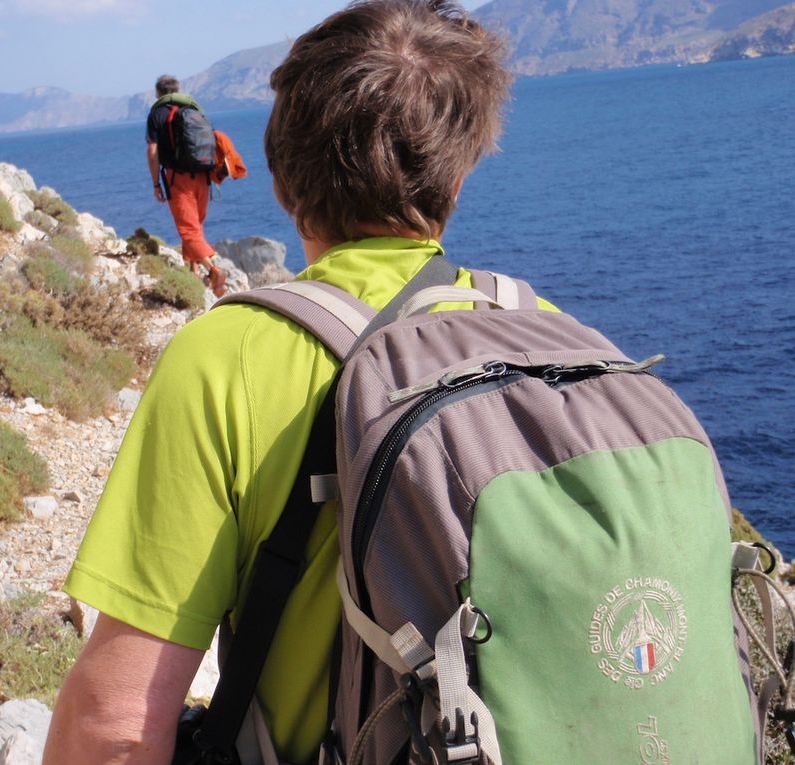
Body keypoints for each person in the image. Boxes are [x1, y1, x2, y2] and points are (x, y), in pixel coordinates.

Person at [44, 2, 519, 762]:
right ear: (457, 176)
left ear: (283, 177)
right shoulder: (547, 334)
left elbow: (114, 724)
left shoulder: (227, 356)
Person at [146, 74, 227, 298]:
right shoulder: (194, 108)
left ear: (158, 93)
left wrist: (155, 183)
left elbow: (153, 152)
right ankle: (192, 269)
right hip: (203, 176)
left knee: (187, 228)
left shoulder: (157, 113)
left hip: (178, 177)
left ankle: (214, 270)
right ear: (177, 90)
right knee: (196, 224)